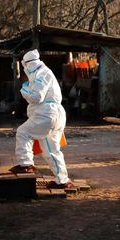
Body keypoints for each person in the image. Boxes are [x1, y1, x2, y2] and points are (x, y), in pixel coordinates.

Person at [8, 49, 73, 190]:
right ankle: (62, 180)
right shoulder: (43, 72)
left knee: (23, 132)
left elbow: (37, 97)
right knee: (51, 150)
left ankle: (25, 164)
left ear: (27, 65)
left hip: (47, 114)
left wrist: (24, 90)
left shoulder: (40, 74)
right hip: (54, 114)